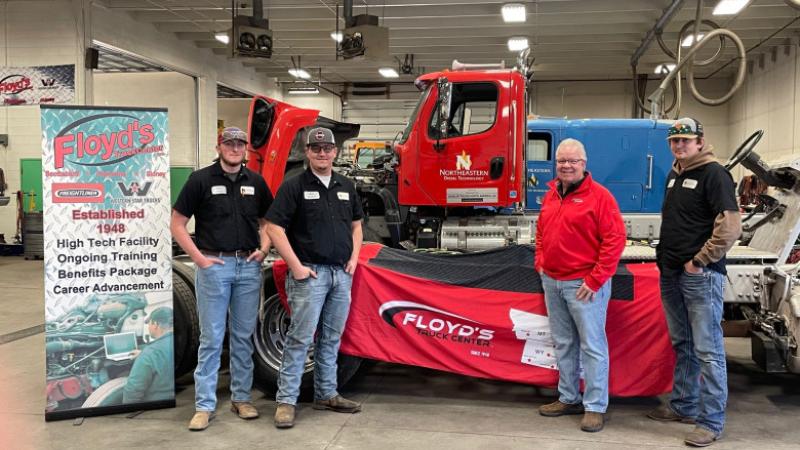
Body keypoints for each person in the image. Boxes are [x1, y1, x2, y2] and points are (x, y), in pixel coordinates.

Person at [171, 126, 273, 431]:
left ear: (245, 149)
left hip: (248, 267)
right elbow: (177, 223)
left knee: (243, 338)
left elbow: (269, 221)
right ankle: (204, 406)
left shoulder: (255, 181)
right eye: (229, 143)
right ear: (220, 146)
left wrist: (265, 248)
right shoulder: (200, 179)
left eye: (240, 143)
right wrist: (200, 259)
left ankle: (242, 399)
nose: (235, 147)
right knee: (212, 338)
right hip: (215, 267)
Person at [649, 118, 741, 447]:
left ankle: (711, 421)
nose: (679, 146)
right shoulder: (676, 173)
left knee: (709, 350)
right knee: (683, 343)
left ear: (700, 142)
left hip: (699, 276)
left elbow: (730, 227)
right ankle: (684, 405)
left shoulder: (715, 174)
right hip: (671, 272)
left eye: (686, 140)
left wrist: (699, 261)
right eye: (674, 141)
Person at [266, 127, 364, 429]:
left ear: (335, 152)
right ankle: (286, 402)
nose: (323, 153)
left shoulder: (346, 185)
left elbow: (357, 226)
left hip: (340, 275)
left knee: (331, 338)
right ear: (307, 152)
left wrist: (354, 258)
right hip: (310, 275)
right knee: (299, 339)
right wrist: (295, 266)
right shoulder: (294, 187)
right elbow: (273, 227)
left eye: (328, 149)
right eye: (316, 148)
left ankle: (326, 394)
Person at [534, 138, 626, 433]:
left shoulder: (600, 197)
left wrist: (596, 279)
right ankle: (568, 397)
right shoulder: (551, 194)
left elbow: (615, 240)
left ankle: (595, 406)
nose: (566, 166)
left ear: (584, 164)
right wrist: (541, 261)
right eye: (562, 161)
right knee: (564, 343)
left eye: (573, 161)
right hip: (553, 280)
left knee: (592, 346)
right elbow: (541, 229)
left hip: (584, 285)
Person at [123, 306, 175, 404]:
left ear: (155, 324)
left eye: (149, 323)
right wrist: (144, 353)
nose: (149, 327)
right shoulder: (184, 341)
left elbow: (132, 393)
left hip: (156, 408)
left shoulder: (149, 353)